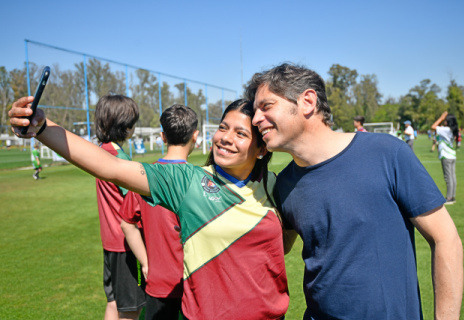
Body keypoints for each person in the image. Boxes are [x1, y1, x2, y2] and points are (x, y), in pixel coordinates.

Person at [9, 97, 291, 320]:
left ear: (261, 149)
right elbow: (110, 167)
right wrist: (43, 128)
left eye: (240, 133)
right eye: (222, 127)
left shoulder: (276, 185)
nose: (225, 138)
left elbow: (282, 245)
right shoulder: (188, 182)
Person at [245, 63, 463, 320]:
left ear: (307, 102)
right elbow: (273, 248)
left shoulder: (387, 153)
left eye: (266, 106)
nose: (256, 118)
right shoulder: (282, 184)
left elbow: (445, 240)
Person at [120, 104, 199, 320]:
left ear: (162, 137)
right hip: (196, 281)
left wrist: (145, 262)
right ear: (196, 136)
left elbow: (126, 223)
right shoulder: (201, 179)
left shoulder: (144, 178)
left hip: (159, 281)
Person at [92, 95, 146, 320]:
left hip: (110, 242)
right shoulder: (119, 160)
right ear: (126, 126)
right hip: (125, 245)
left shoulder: (100, 151)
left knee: (114, 302)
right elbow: (138, 206)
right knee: (130, 310)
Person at [432, 111, 459, 205]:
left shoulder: (446, 130)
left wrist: (441, 117)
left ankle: (449, 198)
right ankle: (452, 196)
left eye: (445, 120)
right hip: (452, 155)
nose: (444, 121)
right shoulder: (452, 130)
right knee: (452, 176)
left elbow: (433, 126)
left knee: (448, 177)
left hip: (446, 156)